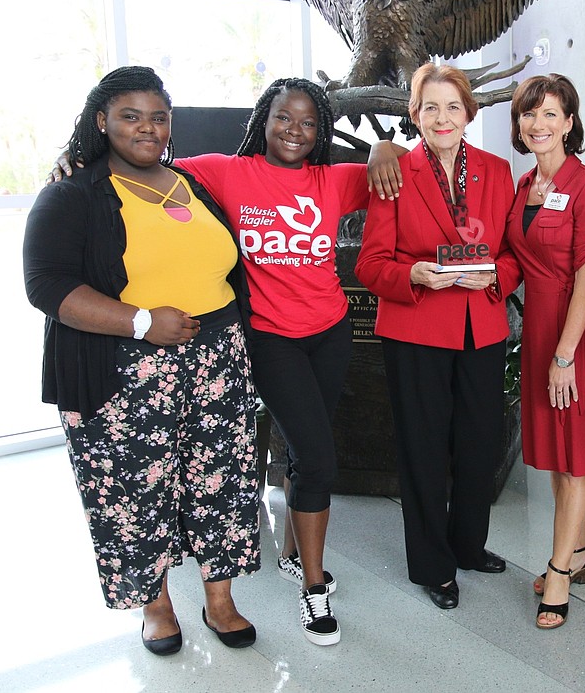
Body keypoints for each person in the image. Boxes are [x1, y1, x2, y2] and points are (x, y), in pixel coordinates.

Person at [51, 77, 404, 647]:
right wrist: (71, 156)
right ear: (263, 120)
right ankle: (313, 588)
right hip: (267, 337)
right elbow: (139, 160)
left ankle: (290, 554)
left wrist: (385, 148)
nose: (295, 130)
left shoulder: (335, 178)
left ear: (322, 133)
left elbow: (401, 170)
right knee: (316, 455)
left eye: (309, 122)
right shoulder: (222, 172)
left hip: (329, 332)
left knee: (294, 451)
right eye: (283, 118)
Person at [24, 66, 260, 656]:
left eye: (158, 117)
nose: (147, 129)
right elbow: (47, 286)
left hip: (218, 361)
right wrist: (141, 321)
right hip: (123, 371)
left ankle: (220, 599)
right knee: (133, 489)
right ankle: (155, 607)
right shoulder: (72, 193)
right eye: (130, 116)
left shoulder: (189, 183)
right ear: (101, 121)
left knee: (223, 481)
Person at [355, 63, 520, 610]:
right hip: (417, 326)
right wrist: (415, 275)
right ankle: (432, 564)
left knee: (479, 445)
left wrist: (498, 274)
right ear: (415, 116)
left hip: (482, 324)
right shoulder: (395, 174)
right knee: (422, 448)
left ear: (469, 113)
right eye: (431, 108)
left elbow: (514, 256)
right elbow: (372, 265)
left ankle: (468, 545)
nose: (443, 117)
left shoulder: (498, 172)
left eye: (453, 107)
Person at [505, 74, 585, 630]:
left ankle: (558, 570)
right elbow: (513, 257)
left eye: (551, 114)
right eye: (530, 114)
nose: (539, 124)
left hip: (574, 335)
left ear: (570, 123)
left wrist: (566, 354)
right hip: (538, 334)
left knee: (575, 457)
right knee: (555, 454)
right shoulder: (525, 183)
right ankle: (579, 552)